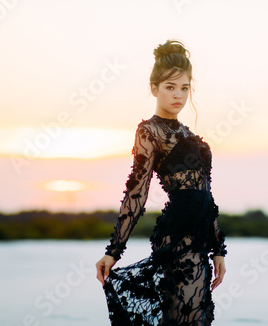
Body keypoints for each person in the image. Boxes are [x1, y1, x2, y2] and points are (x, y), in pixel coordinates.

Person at [95, 39, 228, 325]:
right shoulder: (149, 131)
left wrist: (218, 249)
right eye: (170, 87)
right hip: (177, 237)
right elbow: (136, 192)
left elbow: (206, 194)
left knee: (194, 320)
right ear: (154, 88)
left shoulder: (187, 133)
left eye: (184, 88)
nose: (178, 95)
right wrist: (113, 251)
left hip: (200, 240)